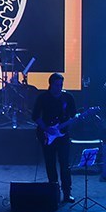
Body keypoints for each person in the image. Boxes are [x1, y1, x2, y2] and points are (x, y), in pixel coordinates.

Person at [32, 72, 76, 203]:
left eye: (61, 84)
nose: (59, 87)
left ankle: (67, 193)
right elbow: (35, 116)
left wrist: (70, 123)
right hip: (47, 135)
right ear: (50, 84)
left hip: (63, 135)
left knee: (65, 165)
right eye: (57, 84)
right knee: (50, 164)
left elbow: (73, 115)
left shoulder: (68, 97)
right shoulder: (43, 98)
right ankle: (53, 192)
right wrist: (46, 128)